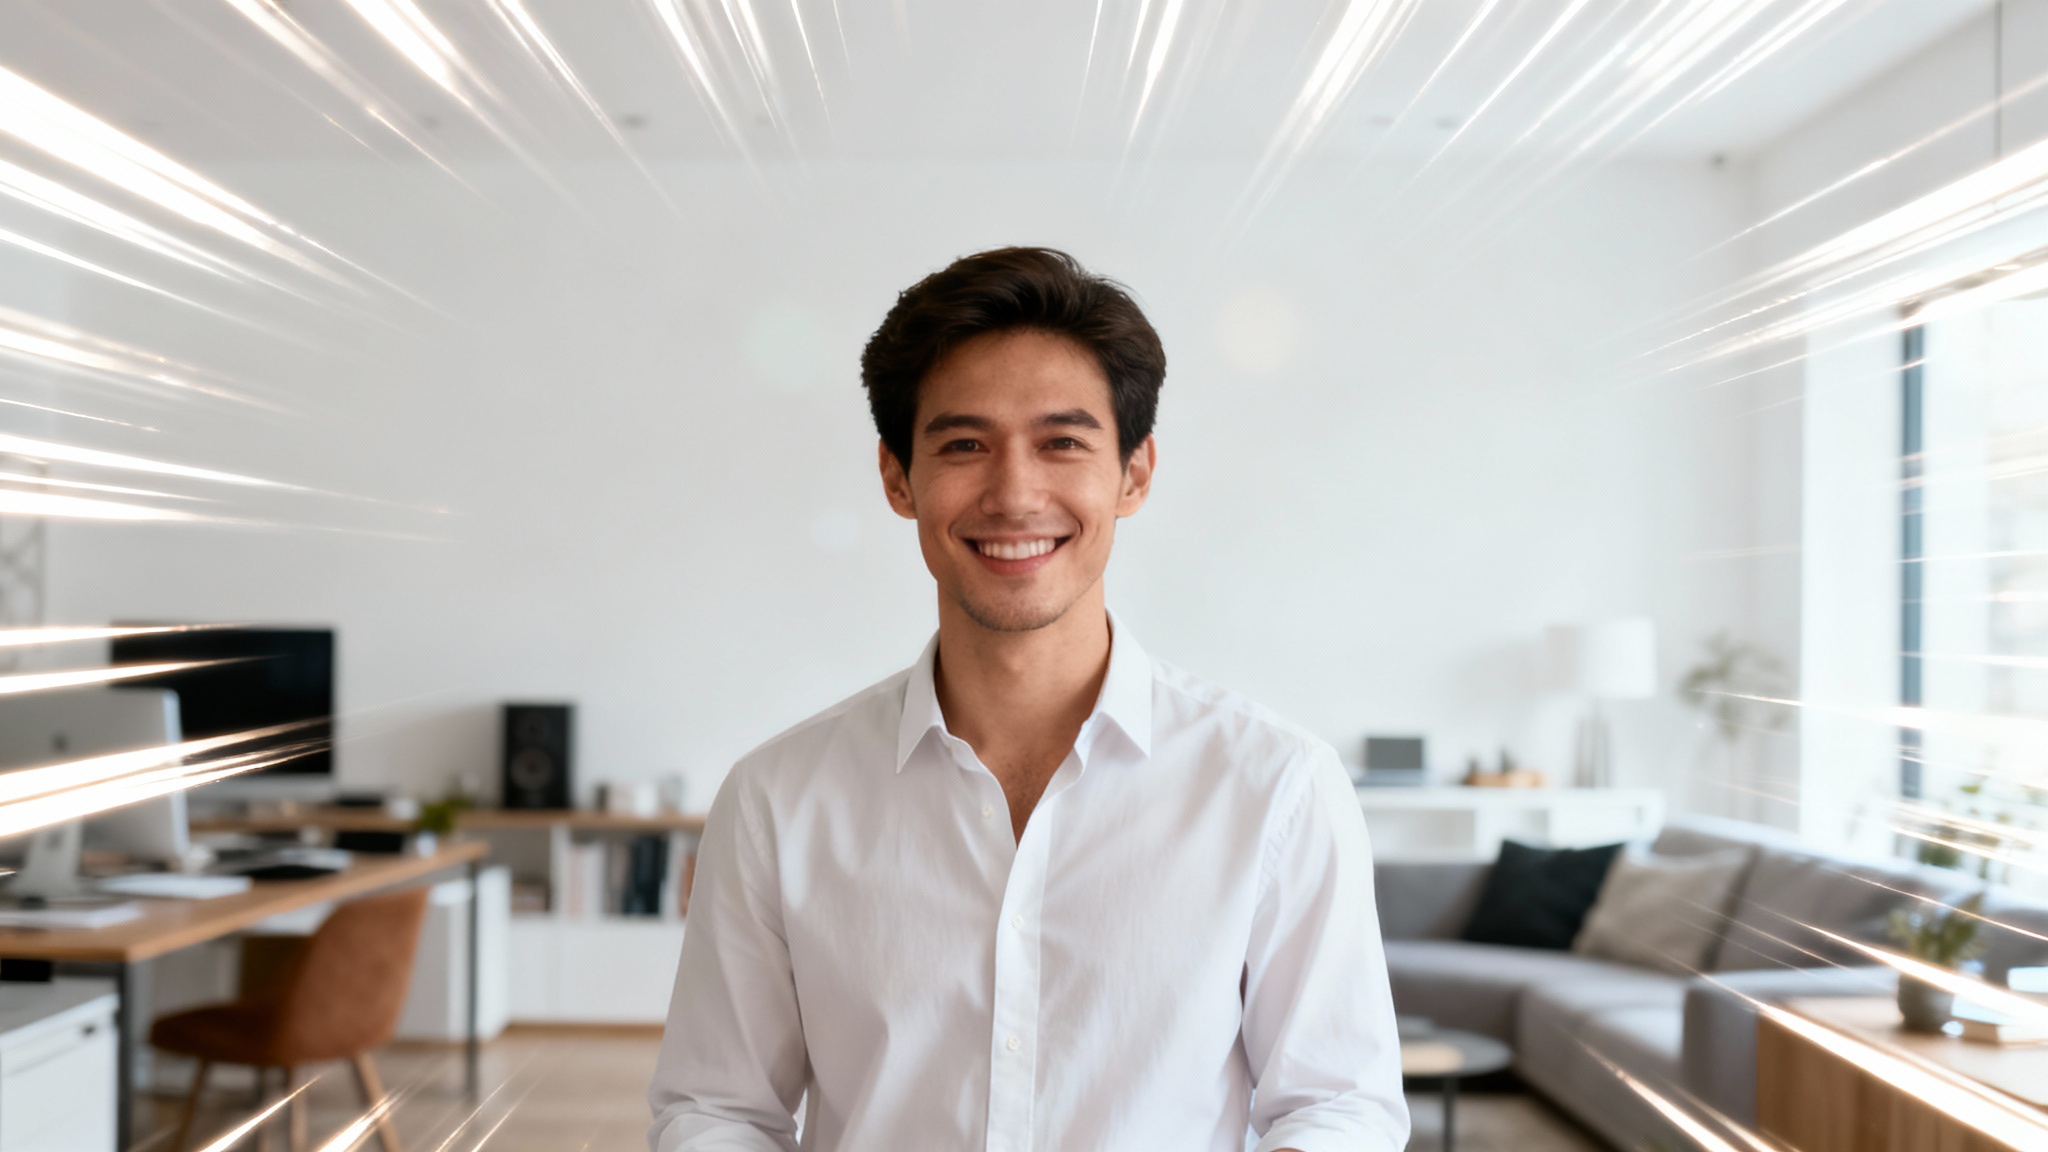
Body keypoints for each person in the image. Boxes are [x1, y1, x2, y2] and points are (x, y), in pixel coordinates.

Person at [648, 247, 1408, 1152]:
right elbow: (717, 1110)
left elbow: (1337, 1108)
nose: (1014, 494)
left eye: (1063, 442)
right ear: (899, 478)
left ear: (1134, 473)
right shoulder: (778, 798)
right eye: (964, 445)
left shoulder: (1278, 787)